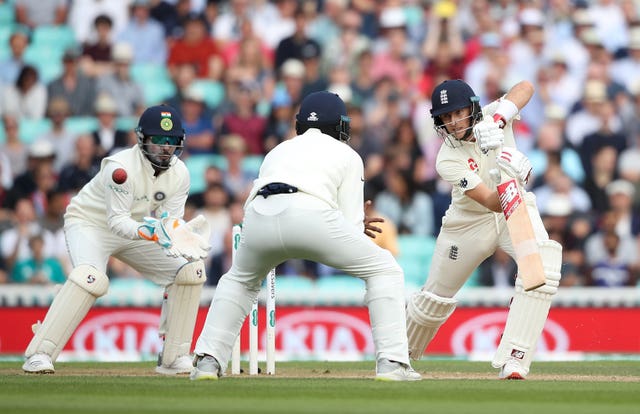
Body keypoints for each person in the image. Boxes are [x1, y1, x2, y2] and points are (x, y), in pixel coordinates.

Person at [190, 91, 421, 382]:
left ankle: (207, 361)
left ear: (300, 124)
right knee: (384, 269)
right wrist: (355, 228)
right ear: (340, 125)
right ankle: (392, 363)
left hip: (259, 216)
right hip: (312, 217)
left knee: (239, 279)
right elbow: (350, 223)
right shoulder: (348, 154)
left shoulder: (278, 150)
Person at [22, 104, 211, 375]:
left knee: (191, 270)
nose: (165, 147)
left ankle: (174, 357)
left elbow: (169, 221)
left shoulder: (180, 173)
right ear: (142, 139)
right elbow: (116, 222)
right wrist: (153, 232)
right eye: (158, 140)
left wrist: (177, 234)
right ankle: (39, 353)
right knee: (91, 278)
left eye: (171, 141)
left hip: (136, 227)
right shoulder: (120, 169)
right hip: (90, 224)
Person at [405, 79, 562, 380]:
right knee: (435, 298)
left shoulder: (493, 115)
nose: (453, 122)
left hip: (515, 210)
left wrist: (501, 120)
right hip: (468, 223)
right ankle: (398, 355)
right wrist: (510, 174)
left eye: (458, 112)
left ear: (474, 107)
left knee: (542, 269)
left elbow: (526, 87)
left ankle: (515, 358)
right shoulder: (446, 159)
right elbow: (491, 202)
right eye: (446, 117)